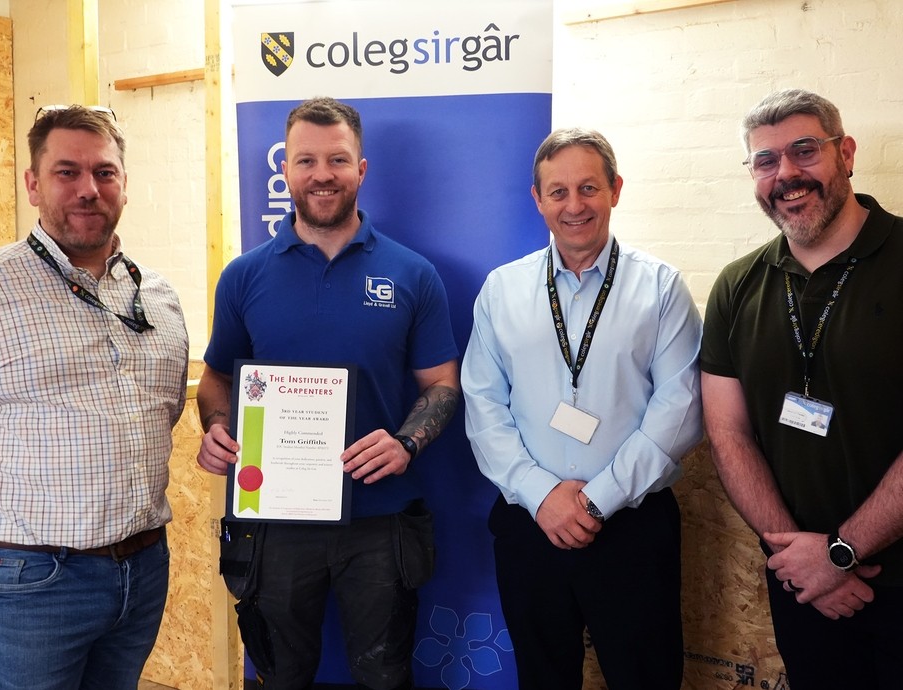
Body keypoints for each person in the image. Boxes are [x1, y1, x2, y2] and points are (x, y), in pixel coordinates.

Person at [196, 97, 460, 690]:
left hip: (382, 520)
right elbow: (215, 378)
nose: (322, 174)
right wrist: (214, 426)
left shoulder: (413, 274)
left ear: (361, 170)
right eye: (306, 160)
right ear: (284, 171)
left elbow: (442, 384)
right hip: (276, 522)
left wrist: (407, 443)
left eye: (337, 159)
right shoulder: (244, 275)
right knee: (280, 677)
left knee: (384, 678)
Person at [461, 127, 703, 690]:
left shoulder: (661, 288)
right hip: (531, 525)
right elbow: (483, 404)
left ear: (616, 190)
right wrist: (542, 493)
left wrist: (598, 500)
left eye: (589, 188)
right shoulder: (502, 290)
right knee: (543, 677)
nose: (575, 206)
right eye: (559, 191)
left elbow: (680, 408)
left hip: (632, 528)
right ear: (538, 199)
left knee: (646, 676)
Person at [701, 88, 903, 689]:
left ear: (846, 153)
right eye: (766, 160)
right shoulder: (737, 287)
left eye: (805, 150)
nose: (786, 173)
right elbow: (727, 432)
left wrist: (839, 553)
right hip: (799, 582)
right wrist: (799, 562)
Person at [0, 105, 189, 689]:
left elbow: (163, 414)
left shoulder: (161, 297)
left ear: (123, 182)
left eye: (104, 172)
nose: (87, 190)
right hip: (27, 581)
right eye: (66, 172)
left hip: (143, 569)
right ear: (32, 183)